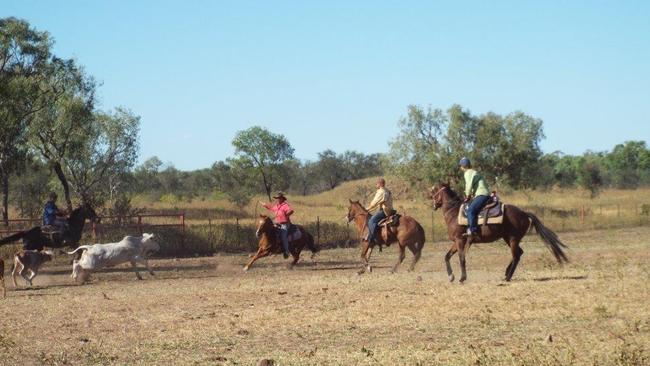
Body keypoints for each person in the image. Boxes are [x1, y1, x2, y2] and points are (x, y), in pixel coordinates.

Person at [459, 157, 490, 238]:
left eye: (461, 166)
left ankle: (473, 231)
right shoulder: (474, 172)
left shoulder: (468, 173)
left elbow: (468, 185)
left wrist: (467, 195)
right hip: (482, 194)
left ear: (463, 166)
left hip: (482, 194)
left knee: (470, 211)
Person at [260, 192, 294, 259]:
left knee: (284, 236)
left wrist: (286, 215)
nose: (278, 199)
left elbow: (291, 211)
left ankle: (287, 252)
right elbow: (271, 208)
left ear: (282, 198)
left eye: (279, 198)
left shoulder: (285, 205)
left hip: (284, 224)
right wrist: (264, 205)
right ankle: (271, 248)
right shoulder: (277, 206)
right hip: (277, 223)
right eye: (277, 198)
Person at [365, 178, 393, 244]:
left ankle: (371, 238)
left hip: (385, 210)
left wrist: (367, 209)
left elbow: (374, 203)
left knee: (371, 221)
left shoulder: (381, 192)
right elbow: (379, 203)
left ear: (380, 184)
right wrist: (370, 209)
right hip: (389, 209)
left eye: (376, 184)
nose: (376, 185)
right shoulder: (387, 190)